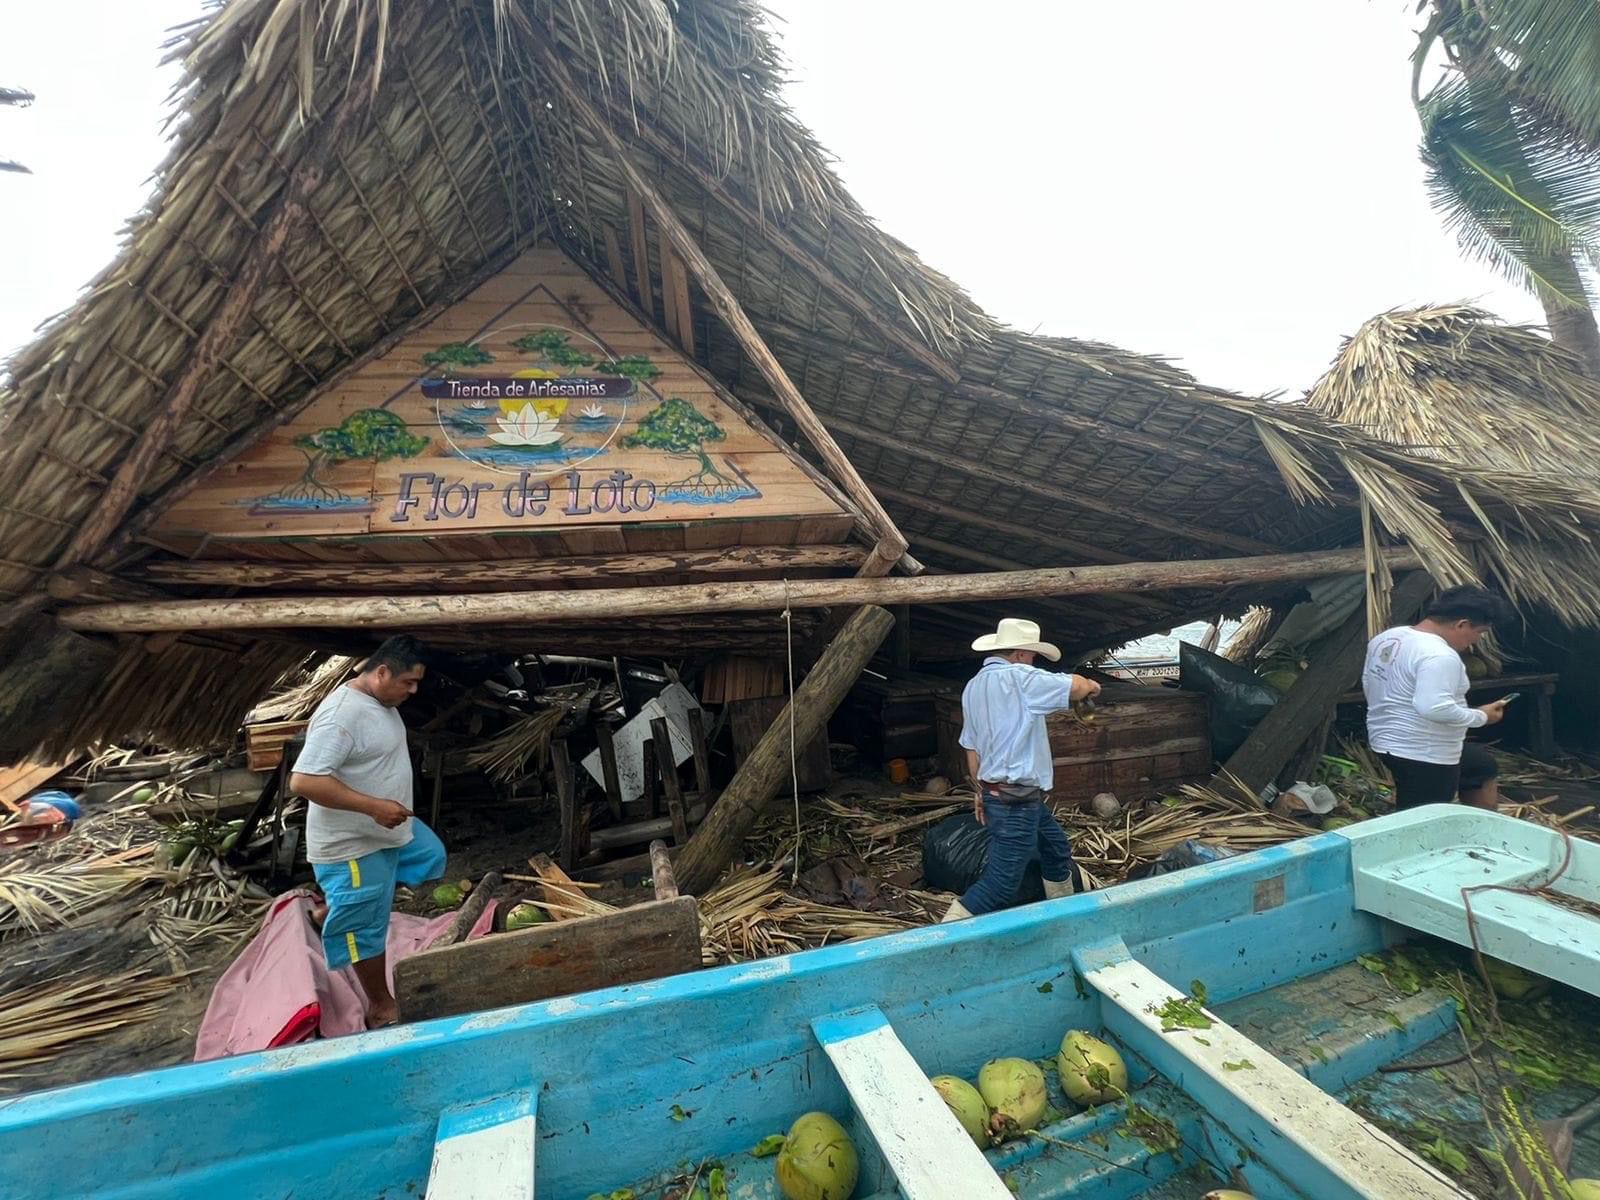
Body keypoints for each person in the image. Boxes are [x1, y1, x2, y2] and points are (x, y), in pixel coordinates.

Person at [290, 635, 446, 1027]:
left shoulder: (379, 701)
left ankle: (333, 910)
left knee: (431, 856)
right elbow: (305, 781)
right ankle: (380, 1005)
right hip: (354, 842)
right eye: (407, 682)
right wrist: (375, 808)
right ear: (381, 672)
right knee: (366, 926)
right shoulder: (342, 715)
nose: (413, 691)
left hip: (385, 827)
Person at [942, 618, 1101, 923]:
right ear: (1018, 654)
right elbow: (1077, 686)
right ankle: (939, 943)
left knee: (1055, 849)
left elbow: (971, 747)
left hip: (1005, 793)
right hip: (1016, 798)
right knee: (1000, 885)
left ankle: (1062, 916)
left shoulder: (973, 687)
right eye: (1031, 655)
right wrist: (1091, 686)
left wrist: (981, 791)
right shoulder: (1019, 678)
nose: (1033, 661)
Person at [1362, 585, 1516, 812]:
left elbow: (1369, 682)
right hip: (1425, 754)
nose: (1475, 641)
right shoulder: (1439, 655)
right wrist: (1481, 716)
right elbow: (1434, 708)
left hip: (1387, 741)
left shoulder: (1387, 638)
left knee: (1480, 766)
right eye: (1479, 633)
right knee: (1423, 819)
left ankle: (1478, 828)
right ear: (1462, 624)